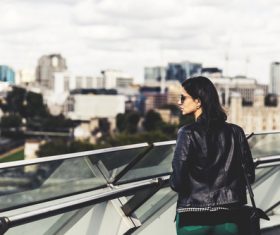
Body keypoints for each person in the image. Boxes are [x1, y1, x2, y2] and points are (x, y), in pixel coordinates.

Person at [170, 76, 255, 235]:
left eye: (183, 97)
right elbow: (249, 176)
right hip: (230, 216)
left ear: (198, 101)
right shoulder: (236, 132)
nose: (179, 102)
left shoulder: (187, 133)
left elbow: (177, 182)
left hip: (193, 219)